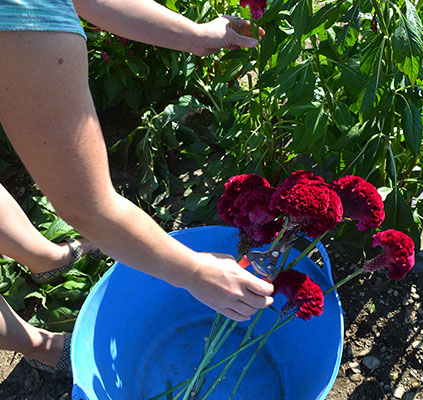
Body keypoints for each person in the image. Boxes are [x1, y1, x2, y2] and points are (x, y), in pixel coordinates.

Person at [0, 0, 273, 373]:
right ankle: (39, 347)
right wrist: (195, 272)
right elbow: (87, 207)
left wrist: (197, 35)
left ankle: (46, 259)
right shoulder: (20, 21)